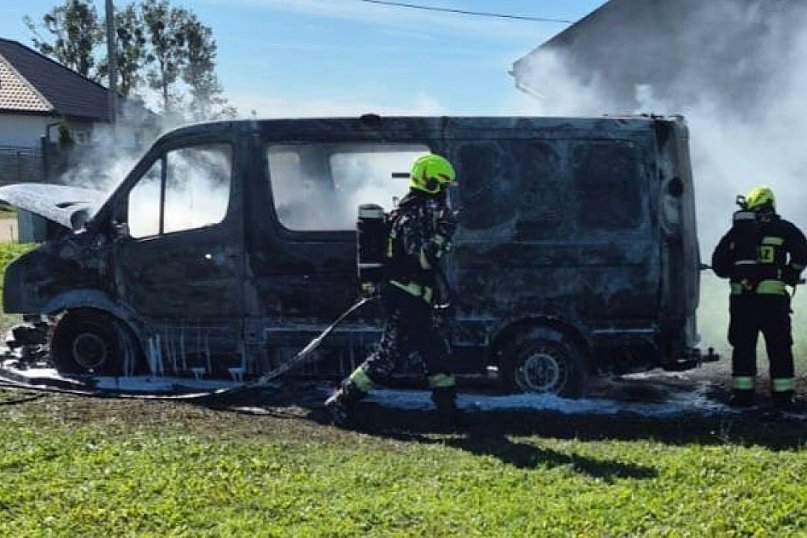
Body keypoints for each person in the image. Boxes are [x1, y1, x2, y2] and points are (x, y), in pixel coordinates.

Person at [325, 153, 460, 426]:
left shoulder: (418, 212)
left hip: (413, 297)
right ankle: (342, 400)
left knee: (431, 352)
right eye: (442, 185)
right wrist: (444, 234)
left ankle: (448, 411)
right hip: (404, 298)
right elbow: (421, 258)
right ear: (430, 183)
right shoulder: (411, 217)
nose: (445, 193)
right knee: (392, 355)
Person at [711, 186, 807, 411]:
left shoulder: (736, 233)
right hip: (773, 302)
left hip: (742, 302)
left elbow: (718, 264)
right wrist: (791, 273)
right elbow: (803, 251)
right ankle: (783, 398)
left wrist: (736, 273)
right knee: (780, 347)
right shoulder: (784, 228)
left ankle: (742, 396)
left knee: (743, 347)